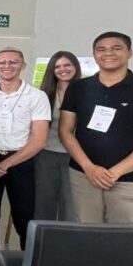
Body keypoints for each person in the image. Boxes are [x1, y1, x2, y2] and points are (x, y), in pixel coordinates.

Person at [60, 32, 133, 225]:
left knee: (122, 236)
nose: (108, 53)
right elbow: (65, 131)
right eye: (101, 49)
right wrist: (88, 167)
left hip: (131, 179)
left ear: (129, 53)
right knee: (85, 231)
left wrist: (115, 173)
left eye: (116, 48)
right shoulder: (78, 88)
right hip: (84, 175)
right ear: (94, 55)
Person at [0, 48, 50, 248]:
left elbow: (39, 140)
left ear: (23, 65)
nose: (7, 66)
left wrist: (5, 165)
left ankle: (26, 262)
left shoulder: (37, 96)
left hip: (22, 160)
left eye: (13, 62)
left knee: (24, 217)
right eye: (2, 62)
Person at [35, 51, 81, 221]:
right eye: (57, 67)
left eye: (67, 65)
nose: (63, 69)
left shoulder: (86, 91)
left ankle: (67, 237)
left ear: (75, 66)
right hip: (46, 153)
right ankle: (43, 236)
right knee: (44, 202)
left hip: (76, 155)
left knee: (71, 205)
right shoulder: (43, 94)